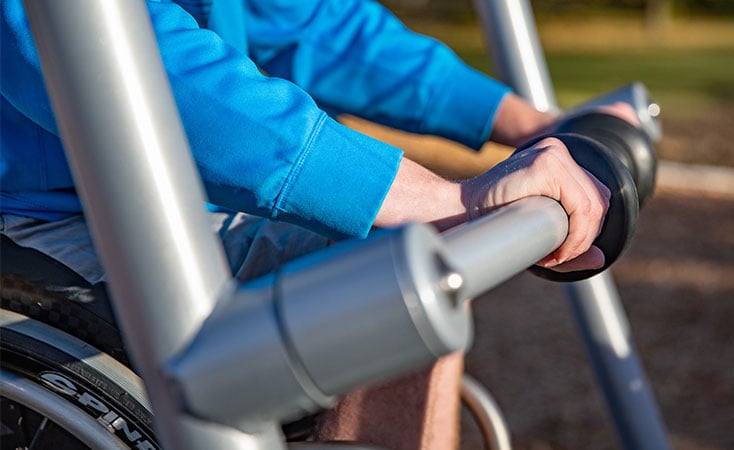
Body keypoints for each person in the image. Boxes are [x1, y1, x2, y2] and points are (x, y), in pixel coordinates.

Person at [1, 0, 624, 448]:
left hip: (155, 200)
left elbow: (306, 19)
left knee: (409, 267)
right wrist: (429, 202)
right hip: (36, 215)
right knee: (389, 275)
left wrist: (525, 122)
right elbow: (86, 40)